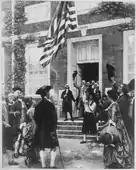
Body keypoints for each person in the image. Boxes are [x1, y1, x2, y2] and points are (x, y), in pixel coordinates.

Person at [103, 89, 132, 169]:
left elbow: (113, 118)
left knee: (114, 141)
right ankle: (115, 160)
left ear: (109, 97)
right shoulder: (114, 103)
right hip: (119, 124)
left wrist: (108, 125)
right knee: (120, 142)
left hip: (116, 124)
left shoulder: (114, 104)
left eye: (108, 96)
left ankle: (115, 161)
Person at [33, 85, 59, 168]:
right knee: (54, 146)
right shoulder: (50, 104)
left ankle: (43, 164)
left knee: (41, 147)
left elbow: (36, 118)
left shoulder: (38, 106)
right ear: (46, 94)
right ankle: (52, 164)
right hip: (51, 128)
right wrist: (54, 126)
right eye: (48, 92)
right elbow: (54, 117)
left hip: (41, 129)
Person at [2, 96, 19, 166]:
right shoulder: (2, 104)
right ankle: (10, 161)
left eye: (12, 97)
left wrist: (13, 113)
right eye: (10, 97)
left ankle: (11, 160)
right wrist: (4, 123)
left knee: (9, 144)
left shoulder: (6, 104)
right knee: (8, 144)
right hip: (4, 127)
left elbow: (6, 114)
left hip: (7, 127)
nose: (12, 98)